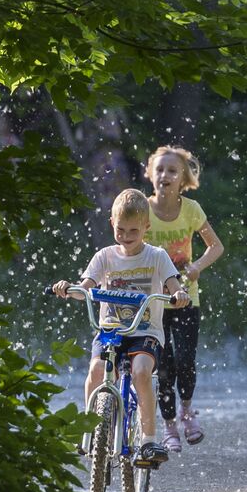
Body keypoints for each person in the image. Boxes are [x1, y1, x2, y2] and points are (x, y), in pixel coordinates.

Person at [53, 188, 189, 469]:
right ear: (111, 224)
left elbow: (174, 286)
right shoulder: (104, 257)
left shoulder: (157, 256)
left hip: (145, 332)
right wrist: (69, 289)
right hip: (110, 331)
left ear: (146, 228)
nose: (126, 237)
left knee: (140, 371)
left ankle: (150, 439)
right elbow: (86, 289)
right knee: (96, 371)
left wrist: (180, 294)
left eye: (133, 231)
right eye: (120, 230)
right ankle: (90, 428)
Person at [145, 145, 225, 453]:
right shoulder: (143, 208)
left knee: (186, 360)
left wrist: (195, 267)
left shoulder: (191, 210)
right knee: (163, 366)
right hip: (152, 301)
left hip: (185, 298)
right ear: (150, 173)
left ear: (183, 179)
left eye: (172, 171)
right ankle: (168, 427)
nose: (165, 175)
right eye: (160, 169)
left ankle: (188, 413)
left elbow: (215, 247)